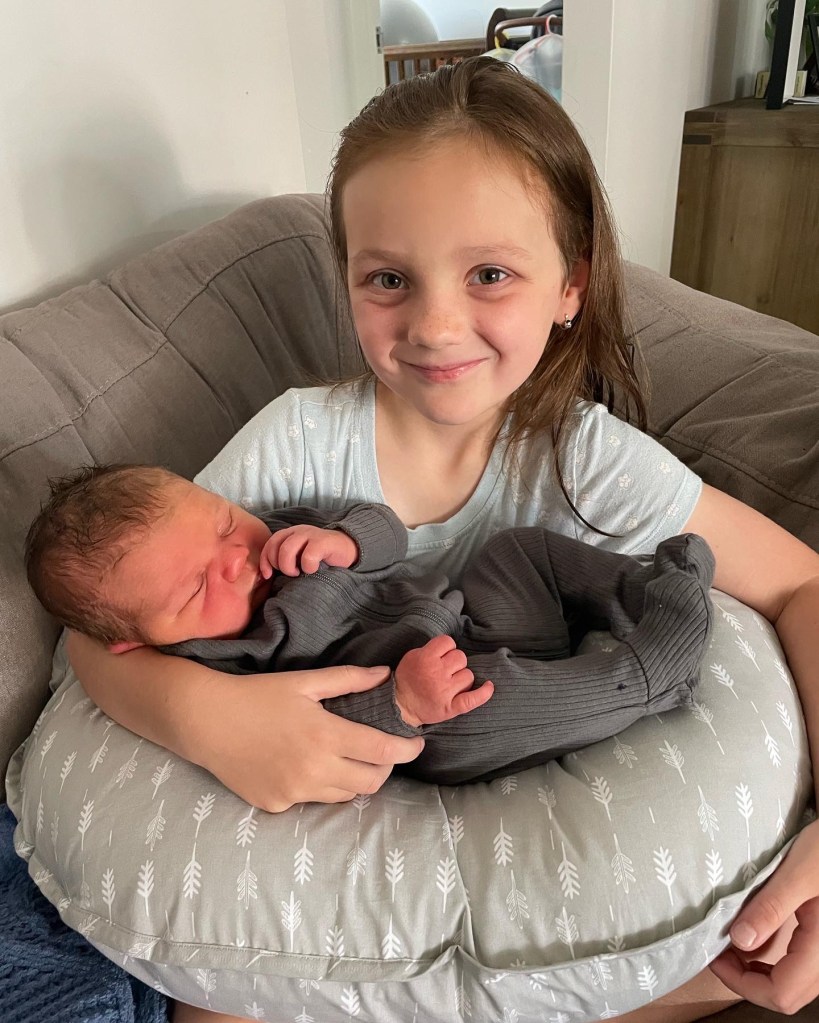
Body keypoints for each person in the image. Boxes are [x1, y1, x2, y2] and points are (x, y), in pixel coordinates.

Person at [64, 58, 819, 1023]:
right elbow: (99, 622)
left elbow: (799, 586)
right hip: (340, 852)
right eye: (388, 278)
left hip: (555, 808)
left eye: (489, 274)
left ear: (570, 284)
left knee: (740, 958)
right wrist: (209, 717)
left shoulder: (586, 461)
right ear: (346, 279)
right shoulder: (295, 440)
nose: (434, 323)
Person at [27, 463, 713, 784]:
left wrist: (347, 541)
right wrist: (401, 703)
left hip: (469, 615)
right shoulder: (222, 661)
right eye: (199, 586)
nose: (235, 559)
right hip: (431, 704)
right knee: (470, 709)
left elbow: (386, 528)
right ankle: (645, 676)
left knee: (516, 549)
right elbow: (314, 721)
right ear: (140, 641)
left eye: (223, 524)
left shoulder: (283, 531)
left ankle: (642, 587)